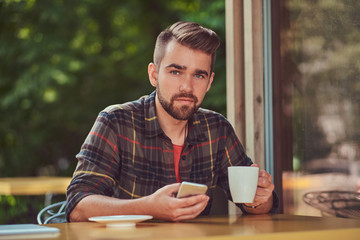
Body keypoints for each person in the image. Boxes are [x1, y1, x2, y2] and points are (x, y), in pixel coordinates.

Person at [66, 21, 278, 222]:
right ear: (154, 74)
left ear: (209, 82)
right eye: (176, 72)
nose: (187, 86)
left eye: (199, 75)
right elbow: (77, 207)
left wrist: (261, 197)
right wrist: (147, 207)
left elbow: (254, 205)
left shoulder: (217, 129)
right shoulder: (116, 121)